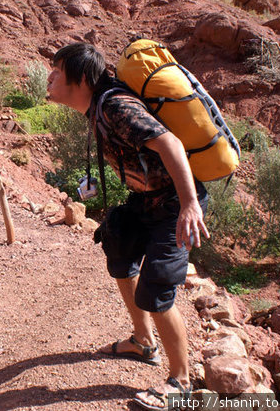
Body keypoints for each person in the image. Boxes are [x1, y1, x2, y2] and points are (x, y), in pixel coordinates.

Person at [46, 42, 210, 410]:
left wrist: (188, 205)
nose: (50, 76)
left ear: (82, 78)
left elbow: (170, 143)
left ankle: (180, 382)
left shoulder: (116, 106)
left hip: (174, 206)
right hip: (149, 202)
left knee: (157, 289)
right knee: (118, 245)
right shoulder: (97, 108)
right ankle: (142, 341)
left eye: (57, 69)